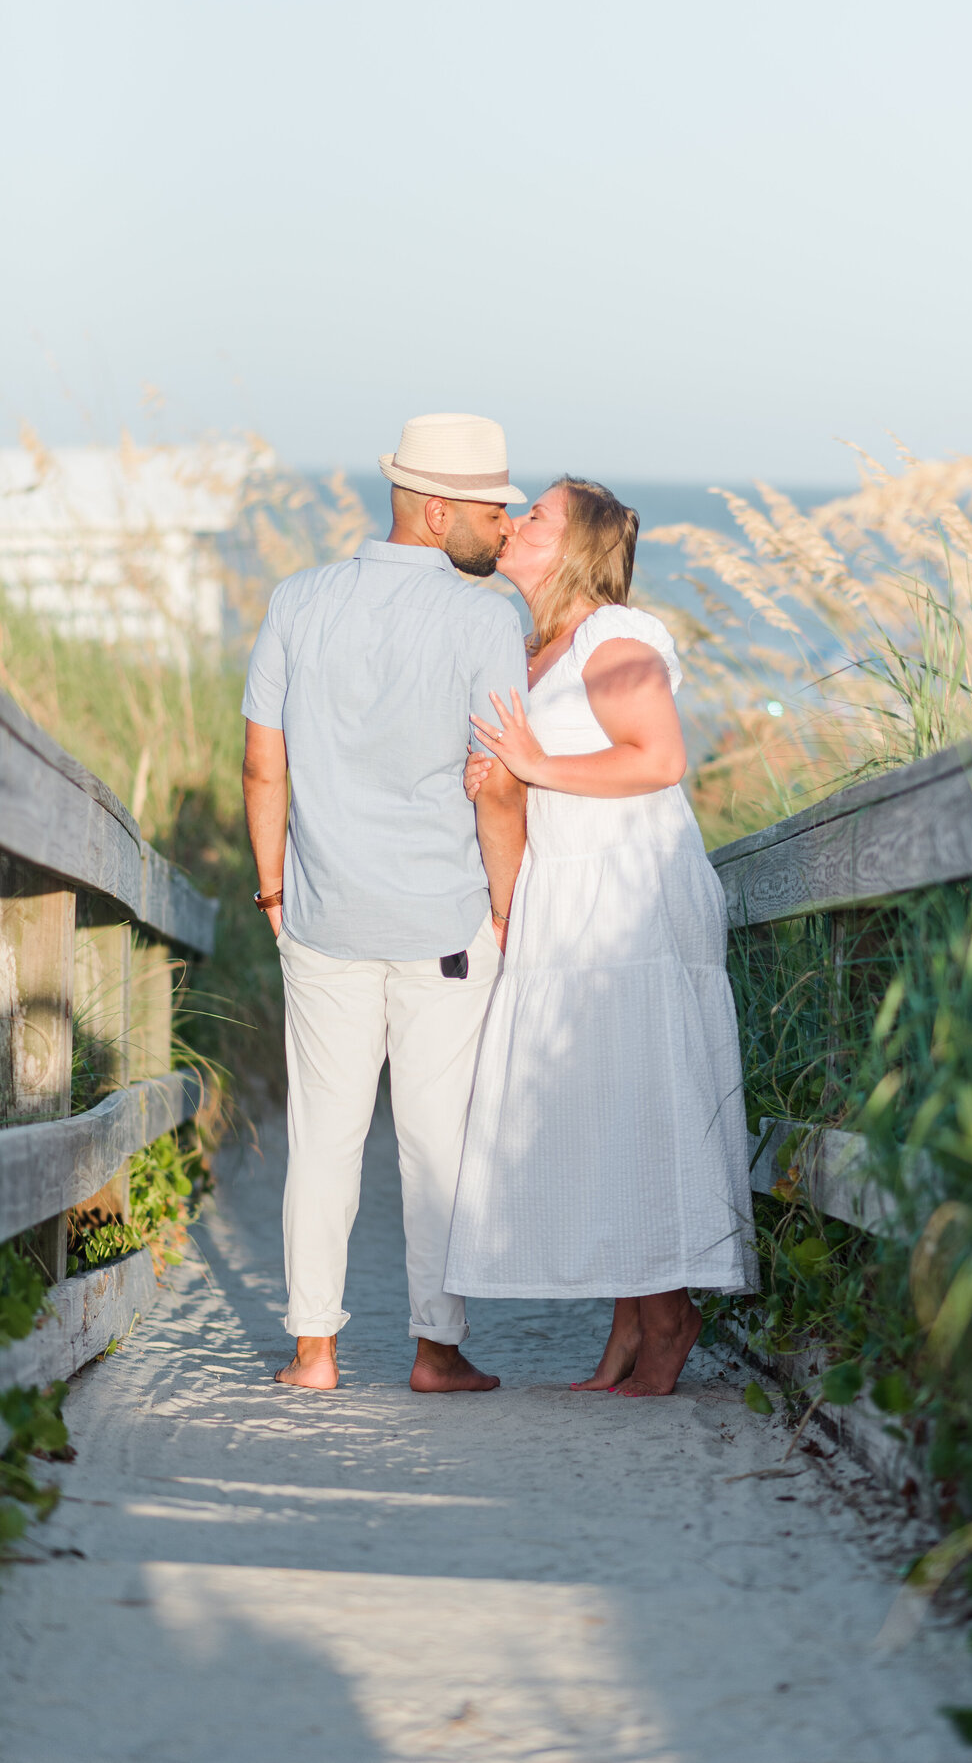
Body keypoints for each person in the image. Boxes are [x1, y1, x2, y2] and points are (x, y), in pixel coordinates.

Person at [443, 477, 757, 1396]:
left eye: (533, 514)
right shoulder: (533, 645)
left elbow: (657, 757)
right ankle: (629, 1327)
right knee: (598, 1104)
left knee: (632, 1097)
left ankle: (667, 1320)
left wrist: (534, 762)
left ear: (575, 543)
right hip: (565, 892)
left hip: (630, 897)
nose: (514, 523)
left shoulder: (616, 637)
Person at [241, 413, 528, 1393]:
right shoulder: (489, 618)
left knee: (323, 1135)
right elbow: (496, 782)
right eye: (493, 510)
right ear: (438, 508)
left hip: (322, 916)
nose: (507, 525)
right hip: (446, 921)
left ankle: (312, 1351)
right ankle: (435, 1348)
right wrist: (507, 906)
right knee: (435, 1137)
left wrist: (274, 887)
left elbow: (261, 761)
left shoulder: (297, 600)